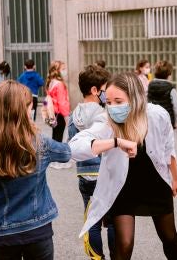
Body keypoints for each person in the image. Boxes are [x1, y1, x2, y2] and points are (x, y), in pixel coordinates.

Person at [69, 72, 177, 260]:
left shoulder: (156, 115)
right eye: (109, 102)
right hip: (123, 188)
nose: (112, 107)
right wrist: (115, 142)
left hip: (155, 183)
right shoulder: (107, 121)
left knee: (169, 237)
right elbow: (74, 147)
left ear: (135, 98)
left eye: (118, 101)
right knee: (124, 243)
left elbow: (168, 147)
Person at [0, 80, 71, 260]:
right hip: (38, 229)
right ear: (23, 110)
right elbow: (66, 153)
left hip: (2, 233)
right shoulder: (40, 143)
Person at [68, 64, 115, 259]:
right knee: (112, 221)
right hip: (105, 173)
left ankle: (97, 258)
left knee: (92, 221)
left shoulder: (74, 115)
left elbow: (71, 145)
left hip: (85, 175)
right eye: (105, 90)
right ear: (95, 90)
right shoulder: (105, 114)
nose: (107, 94)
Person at [147, 60, 177, 128]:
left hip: (152, 119)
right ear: (169, 74)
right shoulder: (171, 88)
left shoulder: (150, 85)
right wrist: (175, 122)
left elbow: (147, 102)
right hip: (167, 121)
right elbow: (176, 108)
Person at [46, 60, 70, 142]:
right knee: (59, 137)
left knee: (55, 135)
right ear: (57, 70)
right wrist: (66, 116)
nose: (65, 71)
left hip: (53, 113)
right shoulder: (59, 84)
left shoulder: (51, 82)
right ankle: (56, 153)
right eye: (63, 69)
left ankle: (53, 152)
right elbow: (62, 102)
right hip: (60, 115)